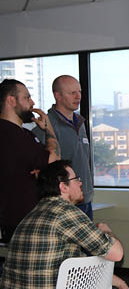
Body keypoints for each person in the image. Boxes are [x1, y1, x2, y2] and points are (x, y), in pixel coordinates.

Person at [0, 160, 129, 289]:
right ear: (63, 187)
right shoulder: (66, 212)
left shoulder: (32, 215)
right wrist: (106, 232)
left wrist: (111, 278)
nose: (81, 182)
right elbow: (116, 253)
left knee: (106, 284)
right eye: (76, 179)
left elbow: (64, 261)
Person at [0, 79, 60, 243]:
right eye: (27, 98)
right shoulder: (10, 134)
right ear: (11, 100)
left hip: (27, 220)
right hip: (20, 223)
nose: (32, 103)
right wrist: (49, 129)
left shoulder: (26, 135)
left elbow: (49, 163)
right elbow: (54, 160)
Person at [33, 75, 94, 220]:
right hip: (63, 202)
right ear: (58, 96)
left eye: (79, 92)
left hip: (84, 198)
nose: (78, 96)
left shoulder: (80, 122)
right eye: (72, 93)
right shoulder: (46, 126)